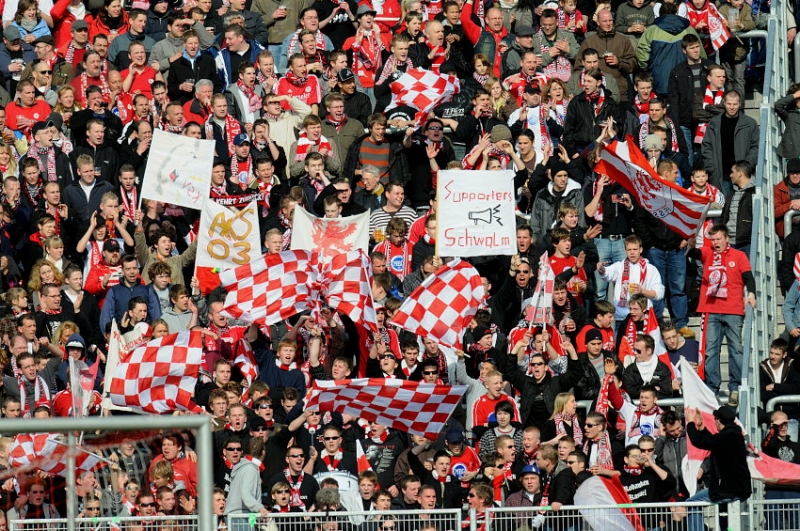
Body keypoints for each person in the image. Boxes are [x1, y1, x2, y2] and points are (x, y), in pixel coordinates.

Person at [688, 224, 755, 403]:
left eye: (719, 239)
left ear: (727, 239)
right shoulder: (708, 252)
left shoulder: (739, 255)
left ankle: (735, 388)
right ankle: (712, 389)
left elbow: (748, 277)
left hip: (733, 309)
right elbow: (695, 253)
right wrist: (691, 246)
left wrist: (751, 294)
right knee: (711, 351)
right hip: (711, 309)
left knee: (736, 350)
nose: (716, 242)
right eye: (713, 239)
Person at [685, 406, 751, 531]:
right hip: (735, 488)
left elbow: (699, 441)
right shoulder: (732, 435)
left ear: (719, 421)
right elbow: (713, 442)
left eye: (715, 419)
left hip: (727, 489)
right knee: (725, 522)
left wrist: (691, 423)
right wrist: (702, 428)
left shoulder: (727, 436)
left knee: (692, 503)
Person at [701, 90, 759, 194]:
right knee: (723, 203)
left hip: (742, 175)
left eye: (735, 104)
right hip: (721, 174)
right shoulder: (714, 123)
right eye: (729, 104)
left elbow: (756, 146)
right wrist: (712, 167)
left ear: (740, 104)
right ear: (724, 103)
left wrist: (746, 166)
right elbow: (706, 146)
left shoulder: (750, 123)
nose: (732, 107)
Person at [761, 410, 800, 530]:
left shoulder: (796, 446)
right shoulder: (768, 446)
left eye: (785, 423)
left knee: (797, 526)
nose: (783, 427)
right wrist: (774, 427)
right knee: (774, 527)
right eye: (780, 424)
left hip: (794, 491)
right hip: (774, 491)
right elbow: (768, 444)